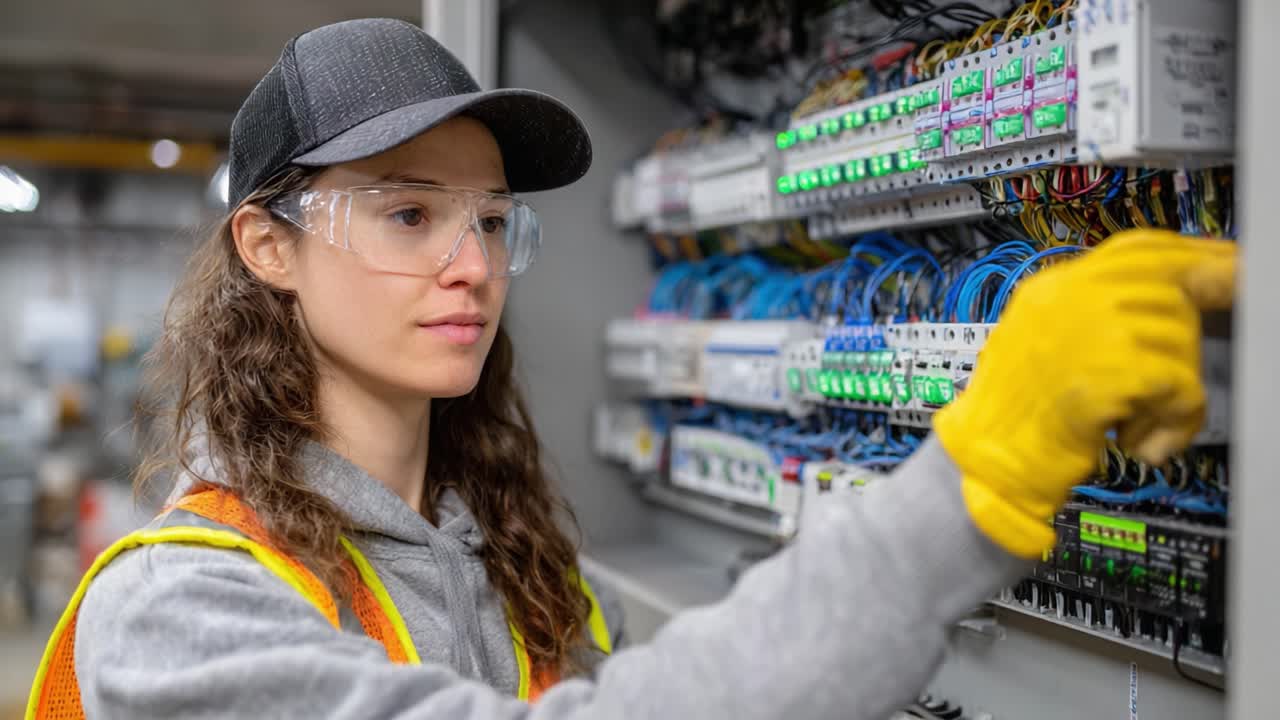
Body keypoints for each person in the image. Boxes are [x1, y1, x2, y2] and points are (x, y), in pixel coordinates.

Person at [27, 18, 1235, 720]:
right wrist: (978, 472)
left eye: (491, 221)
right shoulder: (177, 612)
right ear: (267, 245)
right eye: (407, 216)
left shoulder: (501, 561)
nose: (470, 265)